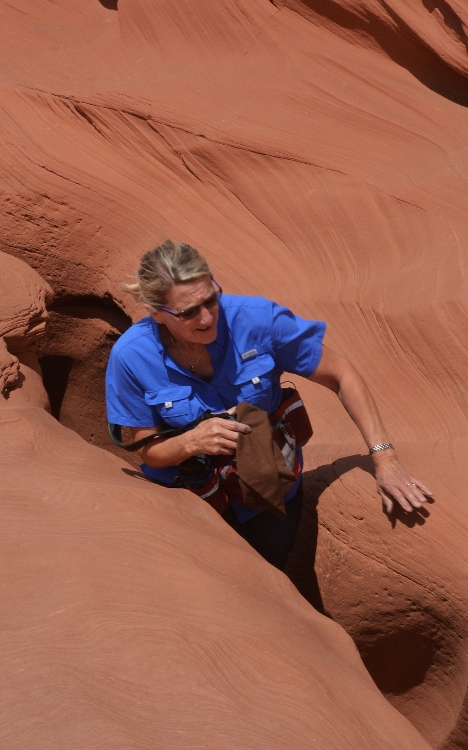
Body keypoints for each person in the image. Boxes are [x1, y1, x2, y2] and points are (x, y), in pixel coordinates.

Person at [106, 239, 432, 569]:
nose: (207, 318)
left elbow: (341, 373)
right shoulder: (131, 357)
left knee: (272, 569)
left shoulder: (258, 320)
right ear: (157, 313)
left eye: (211, 299)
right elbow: (148, 450)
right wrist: (192, 441)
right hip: (193, 502)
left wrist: (384, 456)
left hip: (273, 495)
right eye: (189, 312)